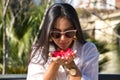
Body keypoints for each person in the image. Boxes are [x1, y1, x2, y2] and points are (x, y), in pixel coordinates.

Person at [27, 3, 99, 80]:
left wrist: (71, 65)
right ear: (49, 33)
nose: (63, 39)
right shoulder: (39, 52)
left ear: (76, 30)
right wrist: (55, 64)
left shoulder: (88, 49)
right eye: (56, 34)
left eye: (69, 33)